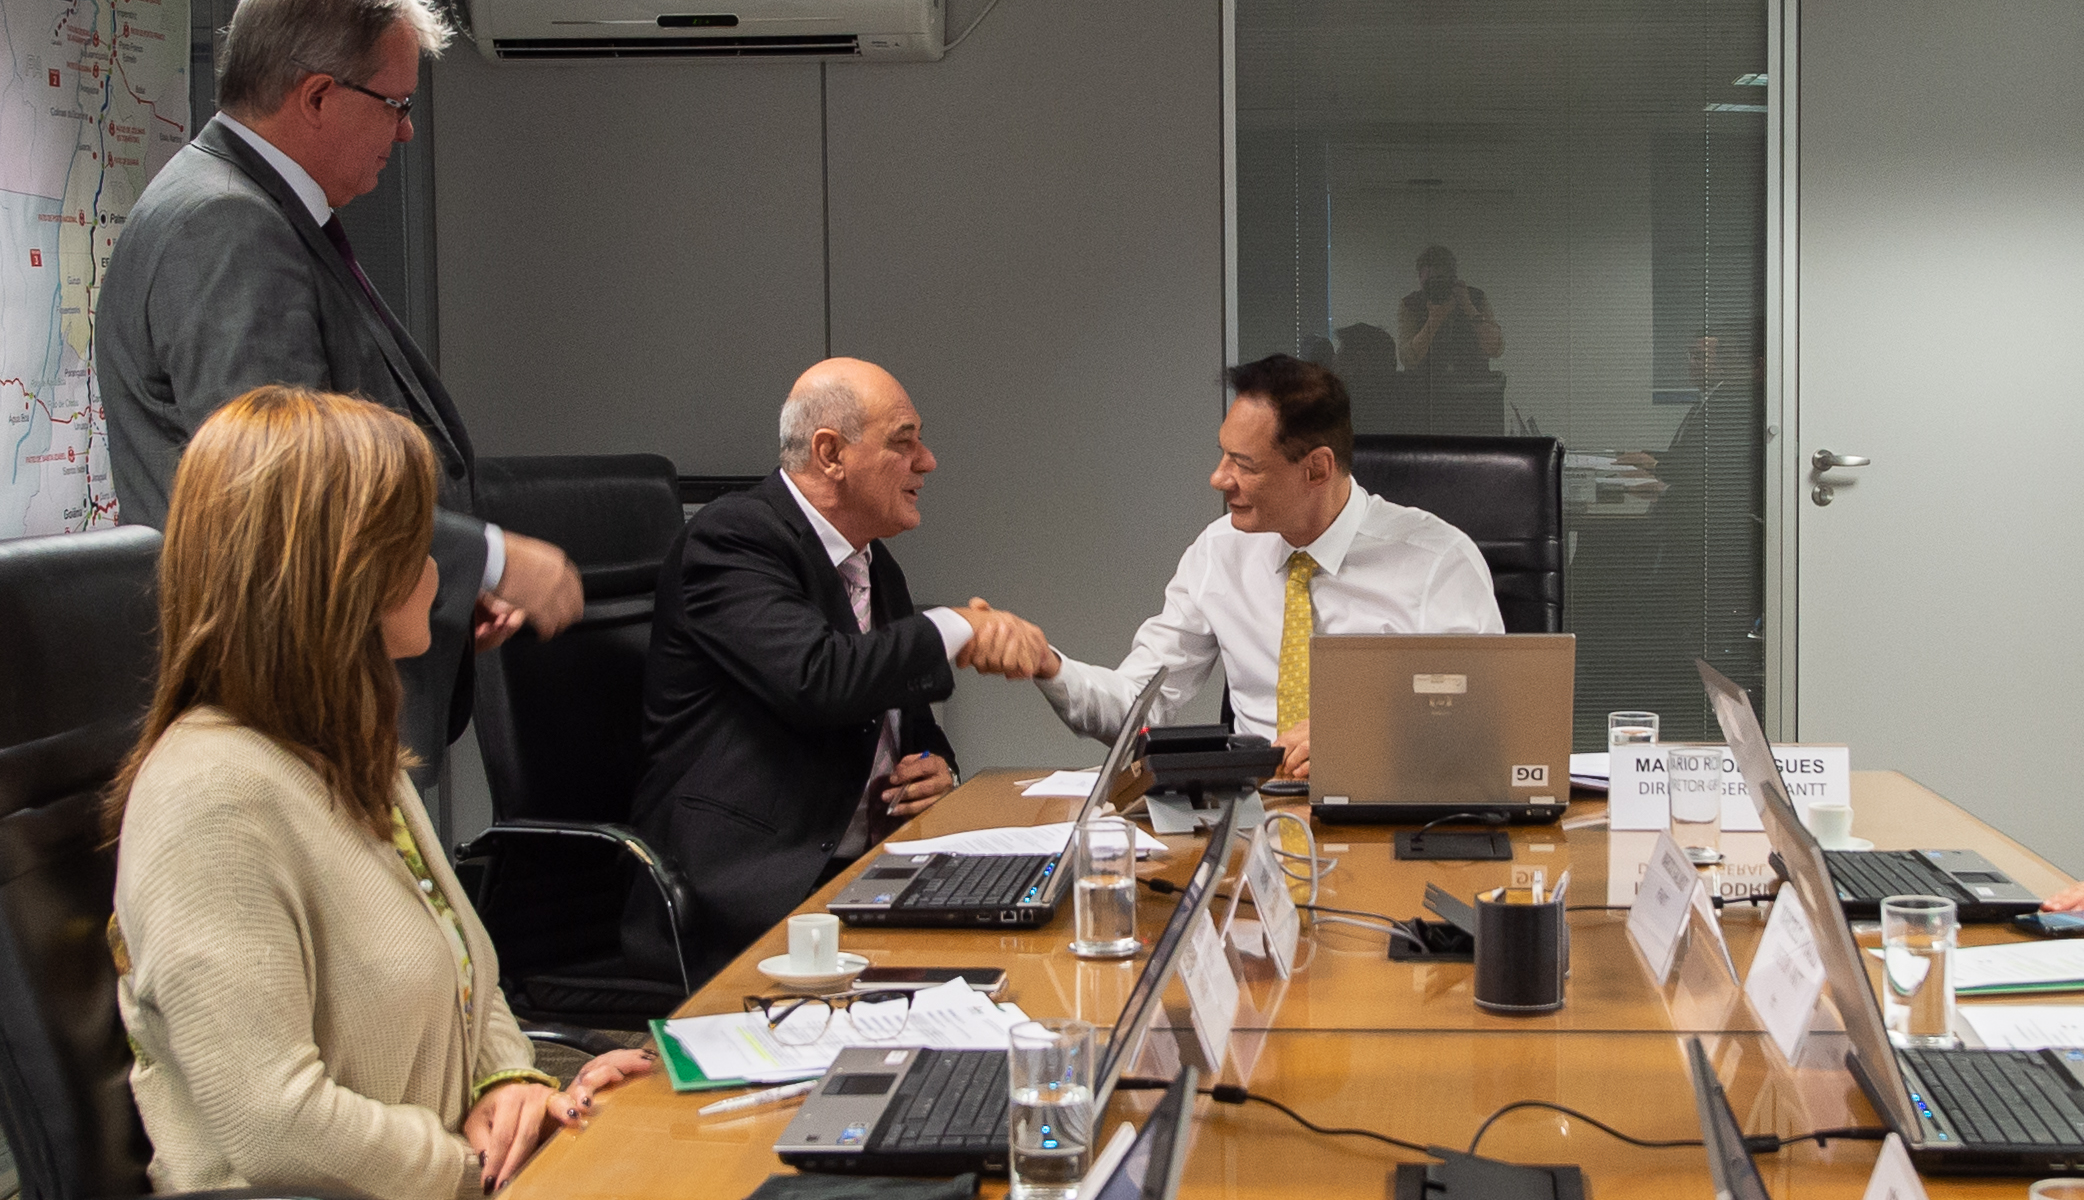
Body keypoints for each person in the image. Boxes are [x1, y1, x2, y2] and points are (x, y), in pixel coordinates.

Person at [105, 386, 652, 1199]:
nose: (437, 571)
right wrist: (474, 1164)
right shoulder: (210, 799)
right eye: (413, 543)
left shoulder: (345, 750)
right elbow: (276, 1123)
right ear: (341, 573)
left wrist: (511, 1088)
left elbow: (463, 970)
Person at [96, 0, 581, 782]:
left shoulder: (248, 207)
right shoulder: (227, 226)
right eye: (395, 104)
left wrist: (431, 581)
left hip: (318, 699)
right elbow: (291, 492)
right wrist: (495, 558)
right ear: (318, 95)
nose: (407, 131)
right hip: (289, 716)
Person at [625, 358, 1049, 980]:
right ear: (830, 454)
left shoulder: (874, 565)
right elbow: (819, 679)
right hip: (747, 890)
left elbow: (909, 722)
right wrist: (957, 626)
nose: (928, 462)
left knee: (1028, 952)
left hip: (862, 878)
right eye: (904, 441)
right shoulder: (733, 538)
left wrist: (936, 769)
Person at [1008, 354, 1502, 778]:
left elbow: (1482, 721)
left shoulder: (1437, 562)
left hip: (1387, 813)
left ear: (1317, 469)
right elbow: (1141, 704)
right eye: (1223, 455)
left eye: (1244, 465)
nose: (1218, 478)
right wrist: (1050, 666)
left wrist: (1359, 737)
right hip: (1256, 816)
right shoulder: (1219, 552)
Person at [1396, 245, 1504, 374]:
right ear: (1420, 279)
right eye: (1430, 282)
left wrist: (1469, 307)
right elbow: (1407, 358)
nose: (1436, 287)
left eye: (1441, 280)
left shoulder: (1476, 298)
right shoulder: (1410, 304)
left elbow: (1495, 349)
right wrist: (1434, 321)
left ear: (1454, 279)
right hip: (1424, 383)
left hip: (1472, 381)